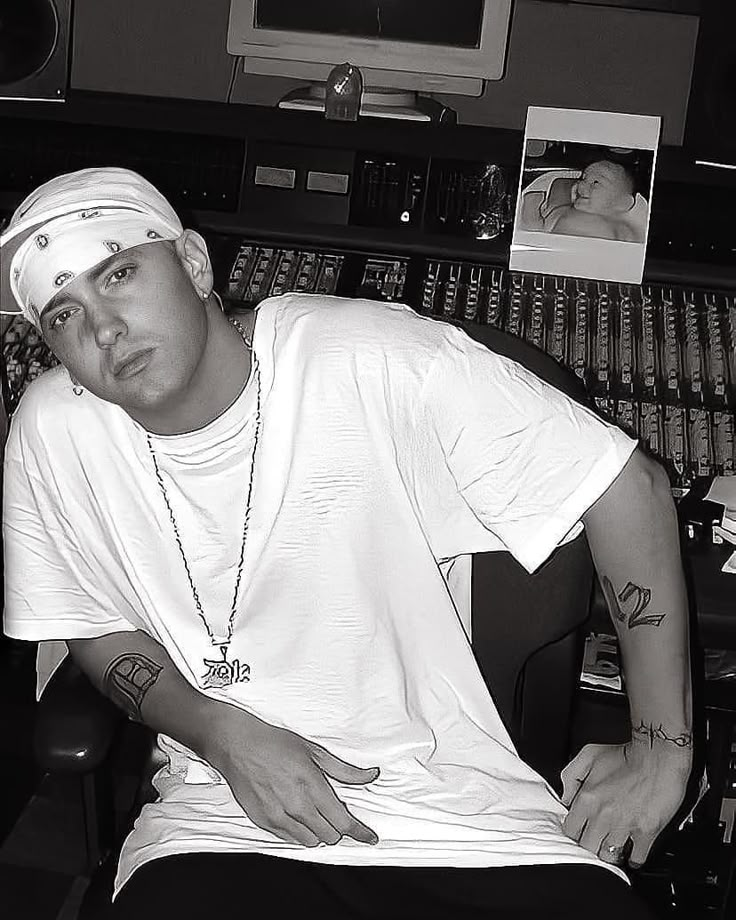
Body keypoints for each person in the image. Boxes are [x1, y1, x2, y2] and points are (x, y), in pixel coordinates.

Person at [1, 168, 692, 919]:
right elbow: (93, 623)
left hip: (465, 825)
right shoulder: (54, 430)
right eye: (64, 315)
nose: (103, 329)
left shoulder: (369, 355)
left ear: (194, 264)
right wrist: (219, 733)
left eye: (121, 274)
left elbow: (627, 488)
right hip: (222, 834)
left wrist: (661, 750)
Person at [520, 160, 648, 243]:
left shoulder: (620, 227)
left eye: (596, 183)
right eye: (583, 178)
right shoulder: (563, 212)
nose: (580, 185)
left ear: (622, 203)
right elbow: (536, 231)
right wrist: (531, 206)